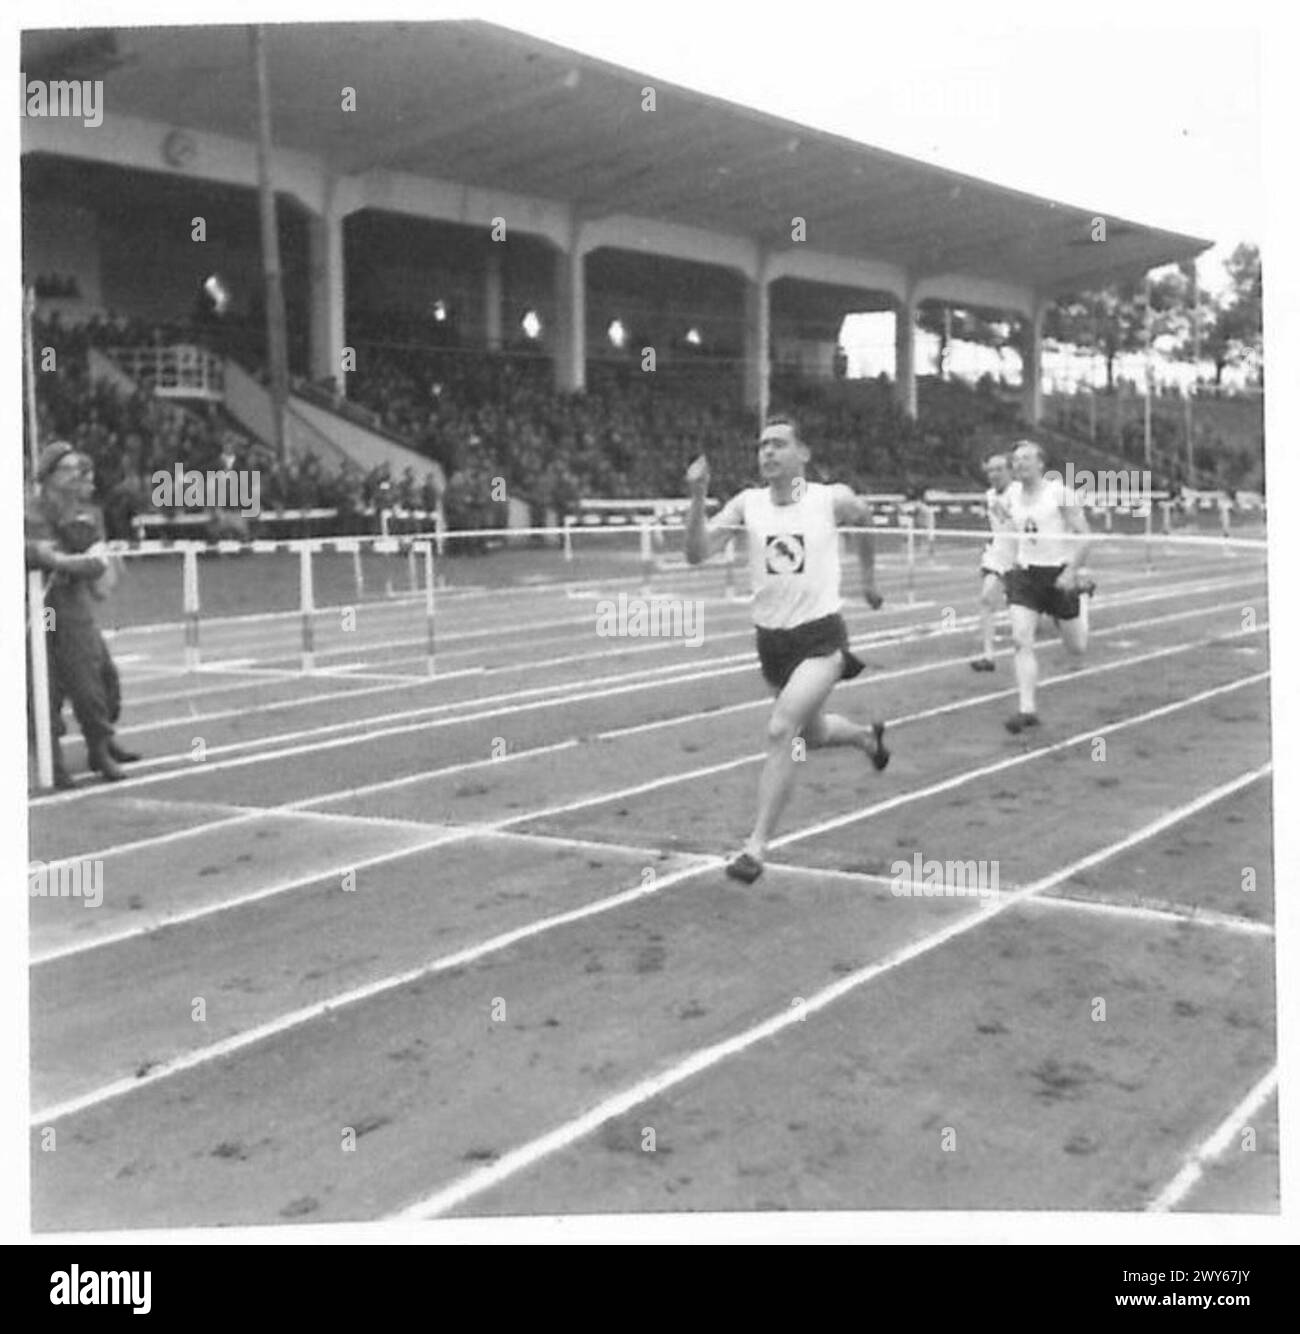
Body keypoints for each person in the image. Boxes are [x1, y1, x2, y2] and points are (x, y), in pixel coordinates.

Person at [685, 418, 889, 884]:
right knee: (811, 734)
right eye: (762, 446)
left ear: (804, 454)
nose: (768, 453)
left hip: (821, 638)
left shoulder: (827, 498)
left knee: (782, 731)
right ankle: (865, 738)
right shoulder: (747, 503)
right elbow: (696, 553)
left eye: (778, 444)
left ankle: (755, 846)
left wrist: (869, 580)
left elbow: (865, 516)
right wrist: (698, 497)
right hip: (773, 643)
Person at [25, 441, 140, 788]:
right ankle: (51, 758)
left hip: (72, 606)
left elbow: (94, 564)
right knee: (41, 682)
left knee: (91, 679)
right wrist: (41, 554)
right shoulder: (27, 511)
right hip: (40, 609)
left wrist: (60, 560)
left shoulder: (86, 514)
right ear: (49, 475)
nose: (77, 476)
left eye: (80, 470)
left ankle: (99, 746)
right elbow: (36, 552)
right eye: (69, 469)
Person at [1002, 440, 1093, 734]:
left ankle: (1082, 596)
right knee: (1020, 639)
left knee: (1076, 647)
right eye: (1016, 460)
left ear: (1041, 464)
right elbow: (1008, 527)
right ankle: (1026, 708)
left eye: (1026, 459)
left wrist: (1071, 571)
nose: (1020, 464)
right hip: (1026, 576)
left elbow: (1085, 536)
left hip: (1058, 575)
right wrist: (1010, 560)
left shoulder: (1059, 493)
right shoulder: (1011, 494)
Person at [971, 452, 1019, 671]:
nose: (994, 474)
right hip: (998, 556)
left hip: (1023, 558)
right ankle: (988, 655)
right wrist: (987, 546)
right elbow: (993, 525)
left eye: (999, 469)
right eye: (990, 470)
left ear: (1010, 470)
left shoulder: (1019, 493)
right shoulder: (989, 495)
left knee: (1023, 610)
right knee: (986, 600)